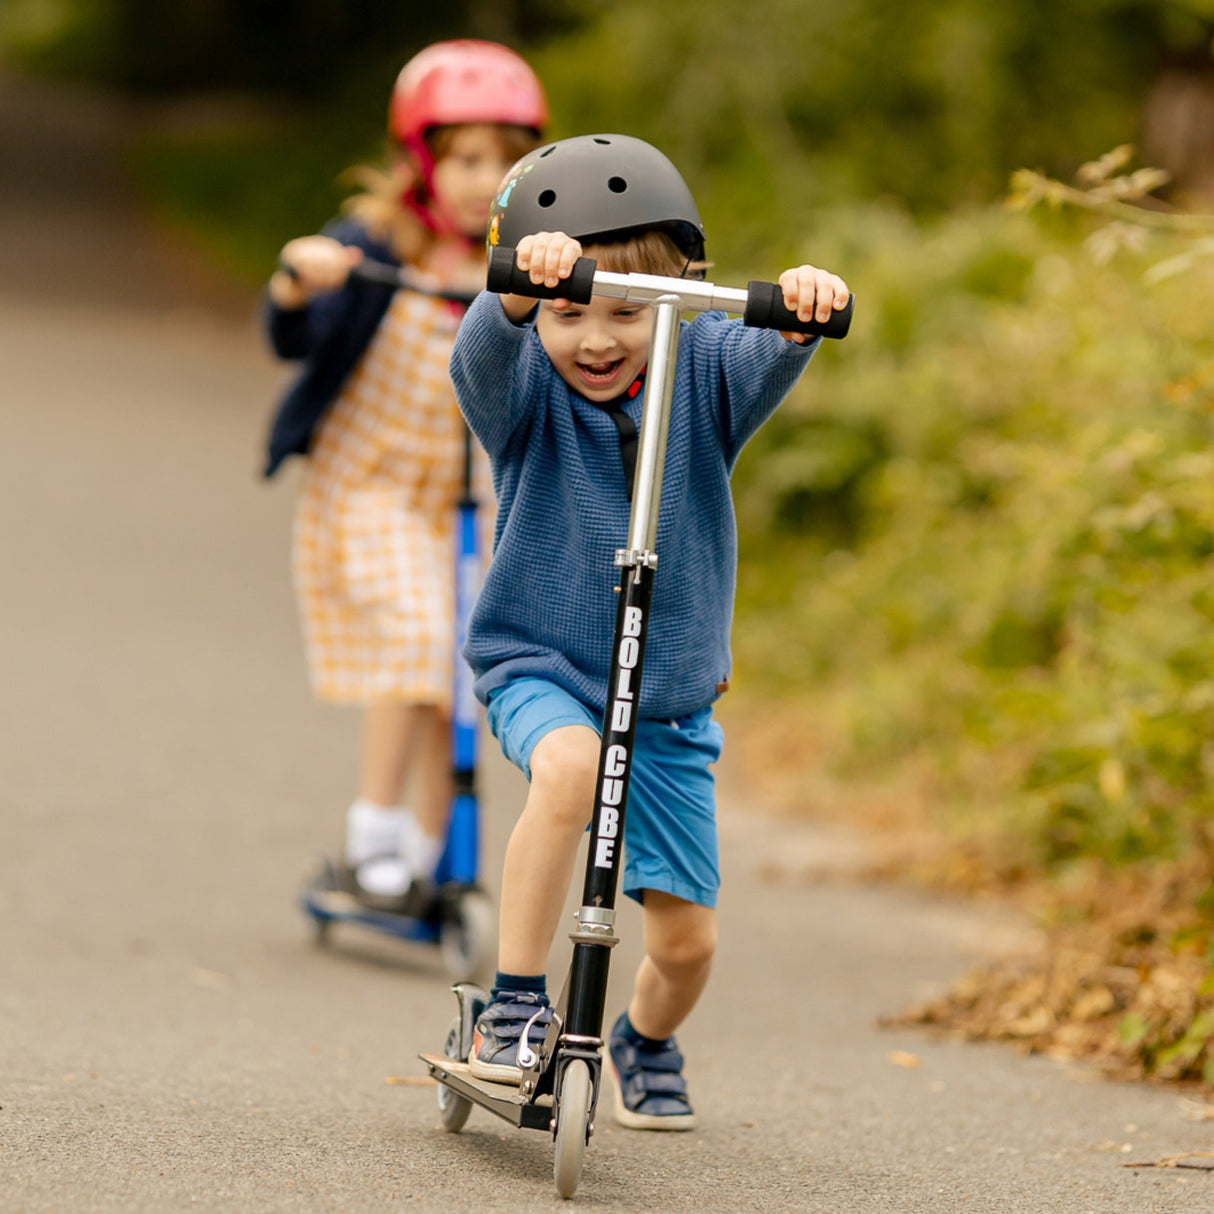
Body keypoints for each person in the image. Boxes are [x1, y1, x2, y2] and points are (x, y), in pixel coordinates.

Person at [448, 134, 850, 1129]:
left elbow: (764, 347)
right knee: (568, 772)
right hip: (541, 665)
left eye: (628, 311)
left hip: (666, 699)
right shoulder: (526, 391)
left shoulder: (704, 374)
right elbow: (480, 356)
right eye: (571, 308)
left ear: (683, 296)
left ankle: (643, 1039)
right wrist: (511, 298)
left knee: (684, 948)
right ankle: (513, 1002)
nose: (595, 337)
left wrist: (799, 309)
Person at [263, 41, 546, 908]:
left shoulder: (525, 265)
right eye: (464, 157)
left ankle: (439, 855)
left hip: (474, 499)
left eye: (504, 160)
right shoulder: (375, 245)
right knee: (417, 641)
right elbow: (293, 337)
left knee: (461, 672)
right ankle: (373, 837)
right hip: (372, 486)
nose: (481, 179)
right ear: (420, 159)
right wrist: (297, 283)